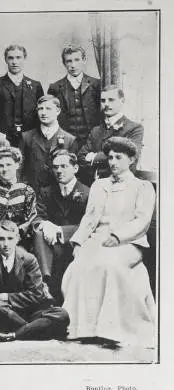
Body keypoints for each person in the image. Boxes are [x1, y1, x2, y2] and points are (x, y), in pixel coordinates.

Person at [62, 137, 156, 347]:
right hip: (98, 239)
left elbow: (142, 221)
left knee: (109, 264)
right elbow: (90, 218)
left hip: (129, 242)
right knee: (79, 266)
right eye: (110, 157)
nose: (112, 162)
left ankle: (111, 328)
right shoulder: (100, 185)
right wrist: (78, 242)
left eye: (118, 157)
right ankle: (83, 327)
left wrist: (118, 237)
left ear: (131, 159)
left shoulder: (143, 187)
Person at [0, 220, 69, 342]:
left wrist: (6, 296)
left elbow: (37, 295)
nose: (6, 244)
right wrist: (3, 301)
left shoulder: (28, 259)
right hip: (5, 312)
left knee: (61, 314)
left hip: (29, 311)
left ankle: (13, 335)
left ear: (17, 239)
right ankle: (30, 329)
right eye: (1, 239)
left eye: (10, 238)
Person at [32, 150, 89, 302]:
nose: (58, 171)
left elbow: (89, 225)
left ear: (75, 168)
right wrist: (45, 224)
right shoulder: (46, 191)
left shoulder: (87, 193)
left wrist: (59, 230)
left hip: (76, 243)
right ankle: (45, 282)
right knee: (38, 231)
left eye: (64, 166)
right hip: (51, 244)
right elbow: (37, 217)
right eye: (55, 167)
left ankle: (47, 285)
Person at [77, 85, 144, 183]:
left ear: (122, 101)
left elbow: (130, 157)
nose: (106, 104)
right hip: (95, 185)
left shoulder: (134, 128)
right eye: (103, 100)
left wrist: (94, 157)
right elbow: (81, 157)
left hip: (121, 184)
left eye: (111, 100)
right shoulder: (95, 130)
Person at [0, 143, 37, 253]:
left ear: (17, 165)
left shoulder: (27, 191)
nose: (5, 169)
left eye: (9, 164)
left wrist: (14, 239)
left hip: (20, 245)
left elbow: (30, 220)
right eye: (0, 166)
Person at [0, 44, 44, 148]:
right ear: (6, 60)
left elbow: (41, 114)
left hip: (30, 139)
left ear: (24, 59)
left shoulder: (35, 86)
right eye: (11, 58)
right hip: (2, 138)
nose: (14, 62)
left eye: (18, 57)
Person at [47, 44, 102, 148]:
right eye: (69, 61)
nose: (73, 65)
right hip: (65, 142)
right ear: (64, 63)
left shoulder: (96, 85)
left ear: (84, 60)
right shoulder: (55, 88)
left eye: (77, 60)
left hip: (91, 141)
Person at [20, 95, 77, 190]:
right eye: (40, 109)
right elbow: (19, 169)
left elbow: (72, 174)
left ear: (58, 111)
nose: (43, 113)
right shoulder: (26, 137)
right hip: (32, 193)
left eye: (48, 109)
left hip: (58, 195)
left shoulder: (69, 140)